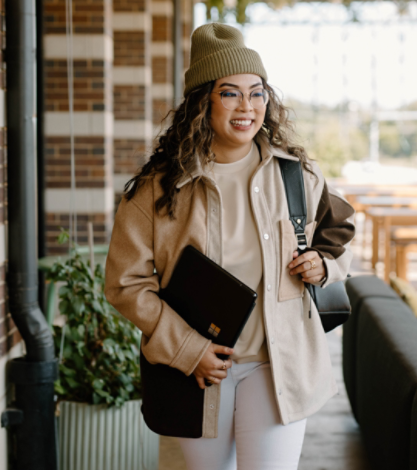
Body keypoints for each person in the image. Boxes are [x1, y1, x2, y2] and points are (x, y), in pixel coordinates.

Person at [104, 22, 355, 470]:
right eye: (230, 93)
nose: (247, 107)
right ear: (203, 103)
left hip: (276, 365)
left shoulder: (296, 176)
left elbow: (338, 237)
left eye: (257, 93)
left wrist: (323, 265)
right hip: (196, 372)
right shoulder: (159, 190)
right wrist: (188, 350)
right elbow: (125, 284)